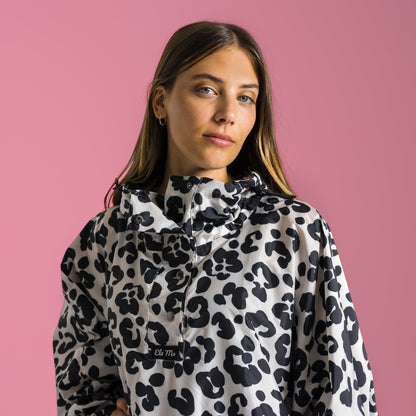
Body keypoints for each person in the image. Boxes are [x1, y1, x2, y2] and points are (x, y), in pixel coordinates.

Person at [53, 21, 378, 416]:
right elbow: (79, 390)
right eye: (207, 90)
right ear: (160, 102)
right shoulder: (104, 242)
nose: (228, 114)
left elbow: (341, 392)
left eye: (245, 98)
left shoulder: (292, 233)